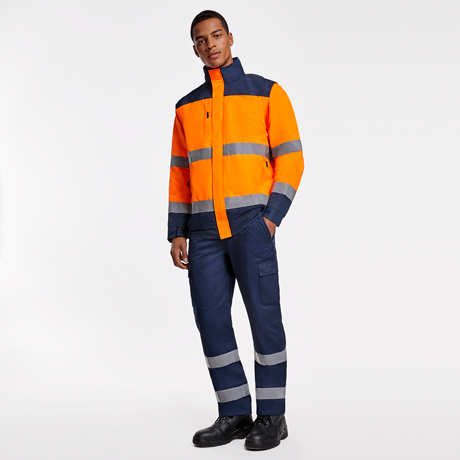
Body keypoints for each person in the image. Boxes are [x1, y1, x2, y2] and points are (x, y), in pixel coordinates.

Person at [167, 10, 304, 451]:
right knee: (210, 320)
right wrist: (177, 230)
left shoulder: (267, 92)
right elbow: (180, 173)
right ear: (194, 49)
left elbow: (291, 159)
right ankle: (234, 413)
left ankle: (273, 415)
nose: (210, 44)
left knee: (264, 318)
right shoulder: (186, 107)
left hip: (251, 226)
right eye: (201, 40)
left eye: (216, 35)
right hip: (203, 231)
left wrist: (271, 218)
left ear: (230, 37)